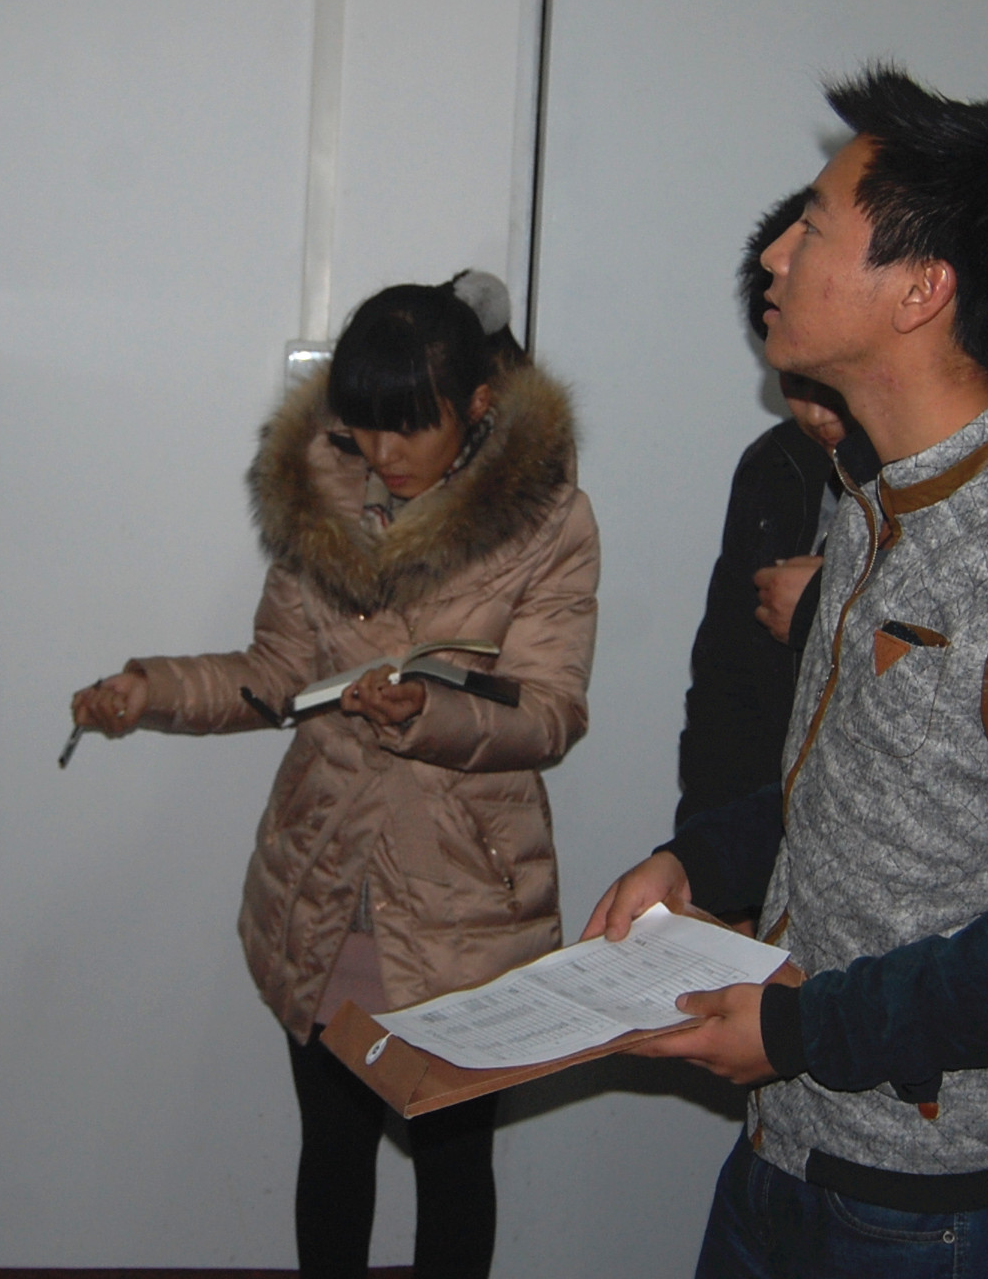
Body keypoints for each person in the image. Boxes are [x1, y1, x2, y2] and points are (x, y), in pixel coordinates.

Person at [586, 67, 988, 1278]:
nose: (776, 256)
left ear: (922, 289)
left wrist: (800, 1025)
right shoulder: (873, 503)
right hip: (784, 1142)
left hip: (936, 1205)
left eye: (814, 228)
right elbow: (853, 787)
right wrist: (699, 859)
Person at [70, 275, 598, 1279]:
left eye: (411, 426)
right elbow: (275, 673)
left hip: (460, 898)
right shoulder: (324, 500)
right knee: (334, 1152)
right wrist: (153, 688)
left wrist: (428, 711)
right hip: (323, 887)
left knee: (453, 1166)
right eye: (364, 425)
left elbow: (549, 711)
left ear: (478, 405)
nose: (383, 453)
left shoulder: (547, 522)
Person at [677, 192, 879, 826]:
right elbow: (721, 677)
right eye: (796, 383)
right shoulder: (773, 464)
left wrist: (824, 607)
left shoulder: (932, 482)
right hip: (758, 826)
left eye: (832, 383)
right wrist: (700, 848)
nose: (817, 415)